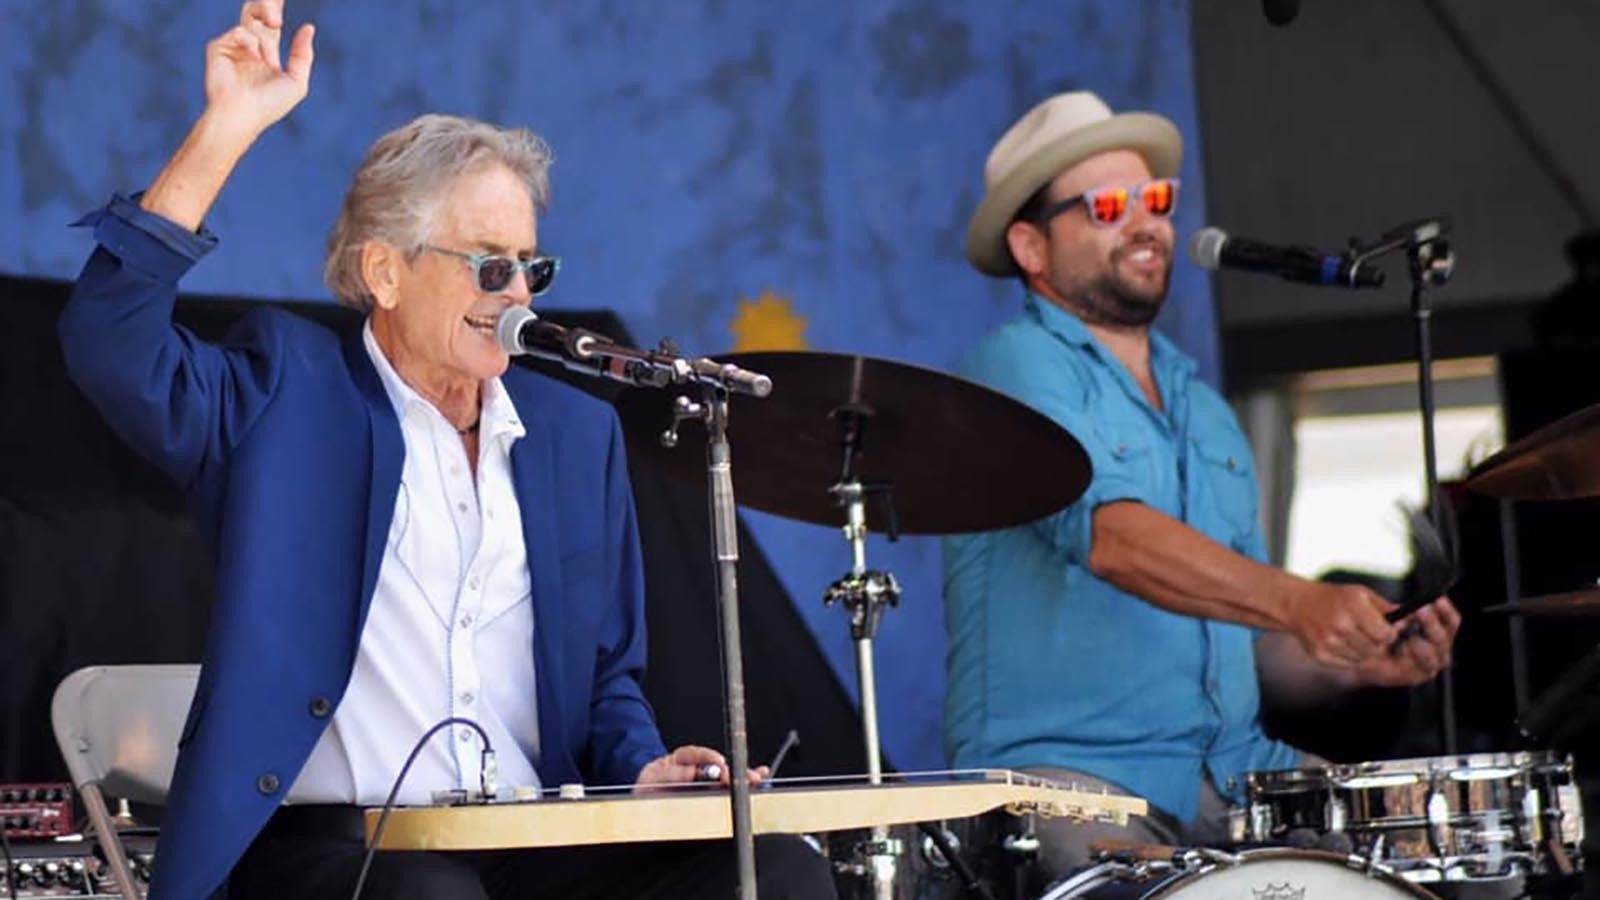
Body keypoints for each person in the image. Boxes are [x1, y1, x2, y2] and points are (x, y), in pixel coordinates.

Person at [58, 3, 834, 898]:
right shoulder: (286, 392)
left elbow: (606, 680)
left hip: (534, 838)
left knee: (777, 872)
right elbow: (109, 344)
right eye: (486, 264)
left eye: (529, 268)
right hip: (333, 848)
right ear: (384, 272)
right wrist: (225, 130)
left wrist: (644, 766)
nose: (515, 294)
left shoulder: (573, 437)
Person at [942, 91, 1462, 881]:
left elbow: (1251, 644)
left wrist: (1358, 655)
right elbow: (1113, 539)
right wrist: (1301, 599)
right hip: (1068, 782)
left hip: (1234, 772)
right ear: (1031, 248)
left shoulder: (1206, 412)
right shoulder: (1014, 366)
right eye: (1109, 205)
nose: (1146, 223)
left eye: (1156, 200)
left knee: (1431, 849)